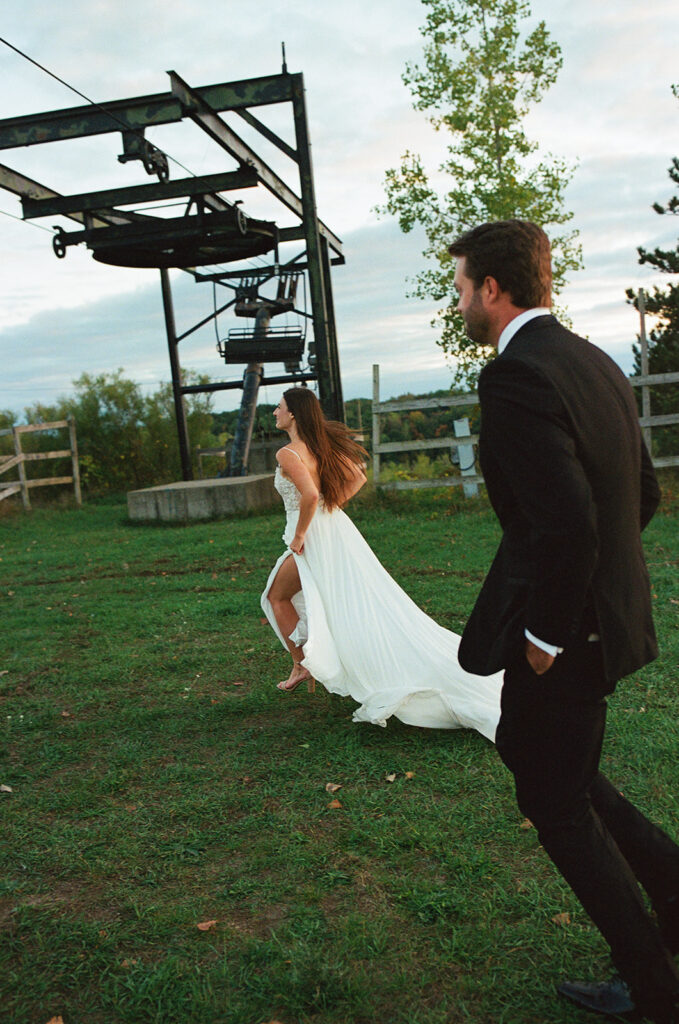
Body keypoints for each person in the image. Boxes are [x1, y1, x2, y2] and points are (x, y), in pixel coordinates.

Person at [449, 218, 679, 1023]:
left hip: (565, 636)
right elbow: (641, 496)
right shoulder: (593, 360)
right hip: (603, 618)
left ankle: (653, 989)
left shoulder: (514, 376)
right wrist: (598, 590)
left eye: (460, 285)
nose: (458, 300)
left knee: (555, 804)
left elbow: (569, 523)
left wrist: (549, 633)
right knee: (542, 761)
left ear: (491, 288)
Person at [260, 386, 502, 742]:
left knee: (276, 596)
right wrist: (331, 508)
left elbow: (310, 494)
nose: (275, 413)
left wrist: (300, 533)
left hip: (312, 536)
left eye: (279, 407)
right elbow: (357, 477)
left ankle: (303, 664)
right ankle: (311, 659)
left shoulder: (288, 453)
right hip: (331, 529)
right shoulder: (319, 446)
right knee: (332, 600)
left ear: (293, 413)